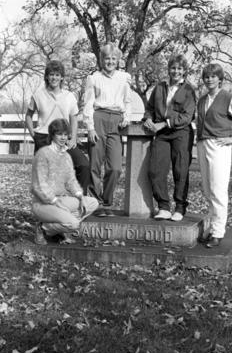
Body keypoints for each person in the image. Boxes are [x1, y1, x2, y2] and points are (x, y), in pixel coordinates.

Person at [197, 63, 232, 247]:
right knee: (207, 189)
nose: (209, 79)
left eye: (213, 76)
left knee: (218, 189)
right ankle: (212, 227)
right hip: (203, 144)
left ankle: (218, 232)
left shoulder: (228, 98)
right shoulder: (202, 100)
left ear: (220, 79)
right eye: (206, 76)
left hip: (219, 145)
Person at [25, 60, 90, 195]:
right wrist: (34, 135)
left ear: (61, 77)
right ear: (47, 77)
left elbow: (74, 118)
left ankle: (80, 202)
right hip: (43, 138)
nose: (54, 78)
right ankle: (46, 209)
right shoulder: (38, 95)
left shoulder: (69, 96)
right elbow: (28, 116)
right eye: (51, 74)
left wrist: (73, 138)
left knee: (83, 165)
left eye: (57, 75)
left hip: (63, 138)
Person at [143, 54, 196, 221]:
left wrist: (164, 123)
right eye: (173, 68)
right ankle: (164, 207)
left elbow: (187, 116)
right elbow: (149, 108)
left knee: (180, 171)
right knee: (155, 170)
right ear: (169, 69)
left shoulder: (189, 90)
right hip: (161, 135)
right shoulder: (159, 87)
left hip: (181, 133)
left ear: (184, 71)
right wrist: (149, 118)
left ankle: (180, 207)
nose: (176, 71)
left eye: (179, 68)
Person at [31, 118, 99, 245]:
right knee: (74, 224)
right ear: (52, 135)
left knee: (92, 203)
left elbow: (71, 181)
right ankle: (43, 228)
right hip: (44, 203)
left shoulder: (67, 155)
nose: (63, 138)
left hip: (62, 199)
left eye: (65, 134)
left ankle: (57, 226)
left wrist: (80, 197)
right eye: (59, 134)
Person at [83, 43, 132, 215]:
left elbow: (127, 101)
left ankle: (107, 202)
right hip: (98, 118)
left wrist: (126, 118)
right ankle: (96, 203)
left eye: (113, 58)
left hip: (116, 121)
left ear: (118, 60)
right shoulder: (94, 78)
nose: (110, 61)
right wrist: (90, 127)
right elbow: (88, 103)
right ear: (101, 60)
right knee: (94, 165)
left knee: (115, 167)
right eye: (106, 58)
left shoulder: (124, 77)